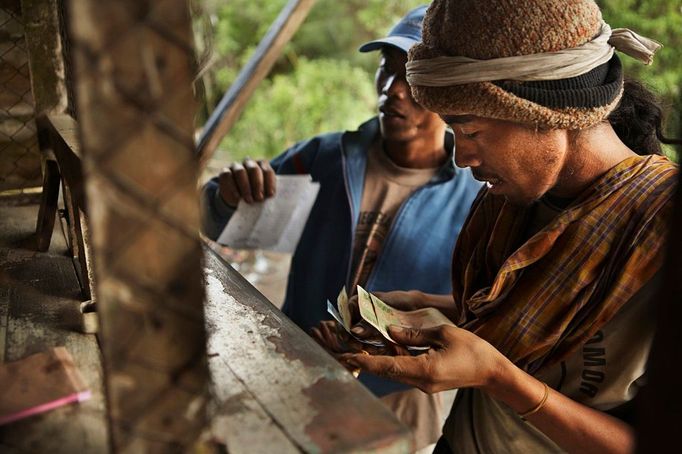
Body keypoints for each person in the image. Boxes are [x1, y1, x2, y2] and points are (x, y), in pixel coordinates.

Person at [329, 1, 679, 452]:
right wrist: (429, 309)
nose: (462, 159)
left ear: (549, 112)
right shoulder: (513, 199)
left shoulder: (663, 230)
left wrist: (497, 377)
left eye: (470, 132)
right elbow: (517, 321)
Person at [200, 5, 482, 449]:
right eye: (384, 70)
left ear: (448, 92)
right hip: (298, 369)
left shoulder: (477, 195)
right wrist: (229, 195)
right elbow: (212, 222)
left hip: (400, 397)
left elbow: (481, 308)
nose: (391, 89)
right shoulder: (326, 160)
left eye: (409, 76)